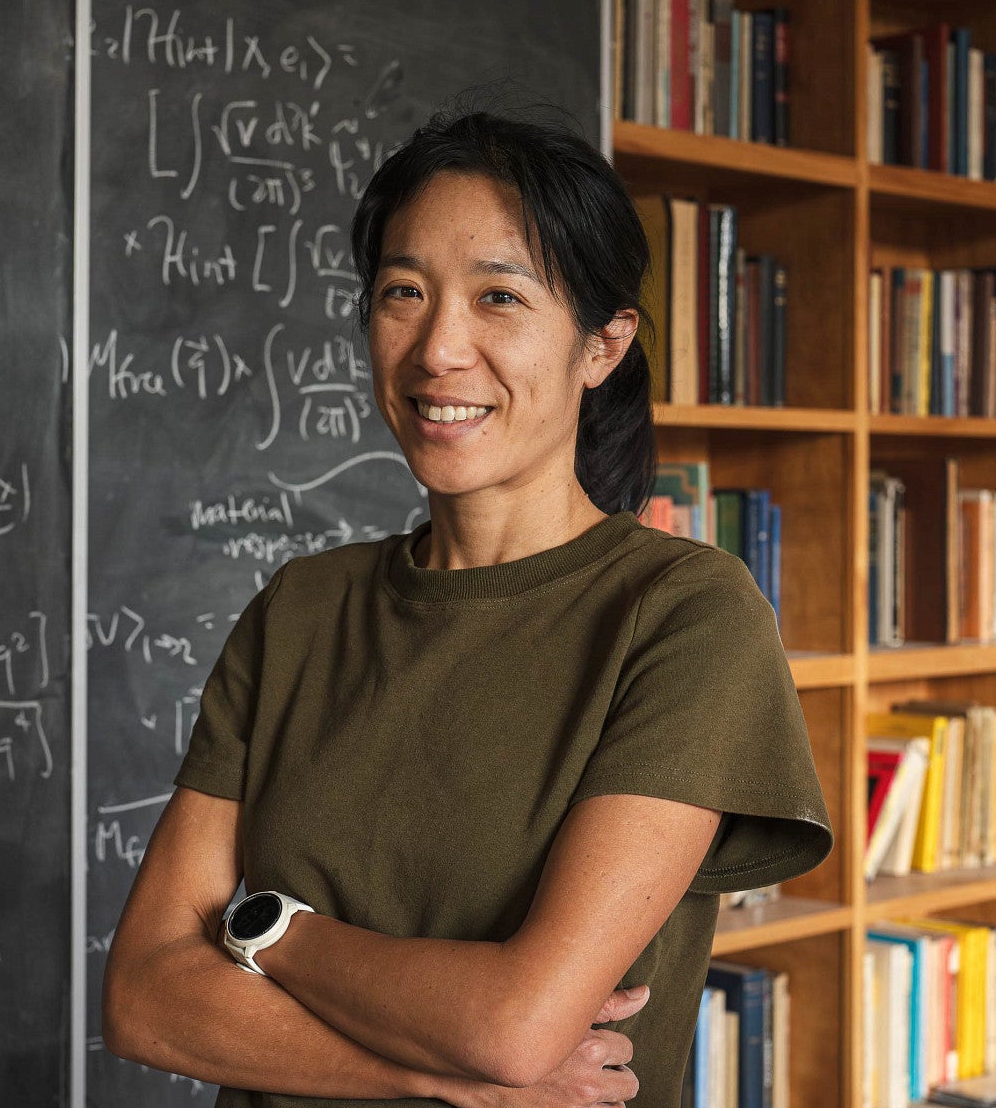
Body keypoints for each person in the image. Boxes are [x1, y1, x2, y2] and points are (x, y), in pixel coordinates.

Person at [102, 109, 834, 1108]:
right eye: (404, 292)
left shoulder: (685, 615)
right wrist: (433, 1075)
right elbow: (146, 997)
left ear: (602, 344)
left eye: (500, 296)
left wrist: (270, 929)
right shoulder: (302, 610)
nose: (439, 347)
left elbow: (516, 1021)